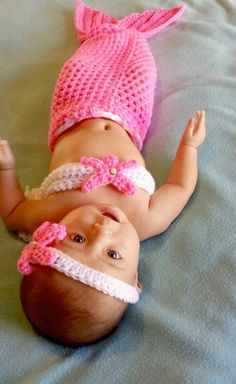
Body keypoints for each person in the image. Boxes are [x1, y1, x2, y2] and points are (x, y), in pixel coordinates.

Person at [0, 0, 206, 345]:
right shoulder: (146, 221)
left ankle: (98, 34)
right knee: (140, 65)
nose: (102, 231)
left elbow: (10, 212)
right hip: (129, 114)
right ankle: (132, 33)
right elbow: (180, 186)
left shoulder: (48, 213)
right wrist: (190, 148)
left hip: (73, 108)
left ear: (48, 236)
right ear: (135, 278)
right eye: (113, 255)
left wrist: (6, 169)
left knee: (82, 64)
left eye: (78, 240)